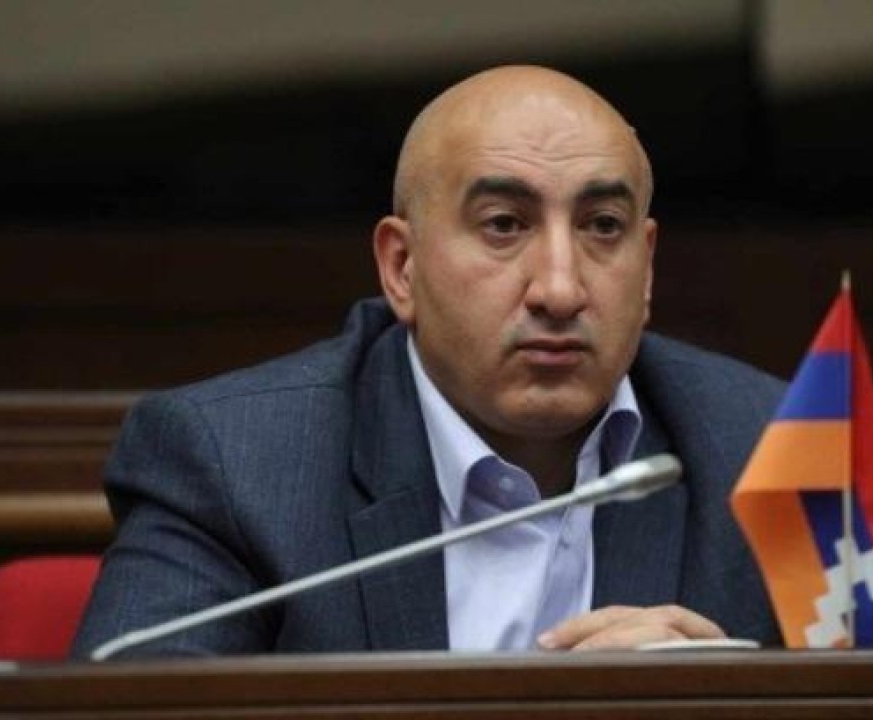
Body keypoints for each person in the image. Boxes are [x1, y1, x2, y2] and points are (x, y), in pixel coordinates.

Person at [72, 65, 785, 658]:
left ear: (647, 267)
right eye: (503, 225)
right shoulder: (235, 464)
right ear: (402, 267)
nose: (561, 289)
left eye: (603, 227)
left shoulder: (769, 449)